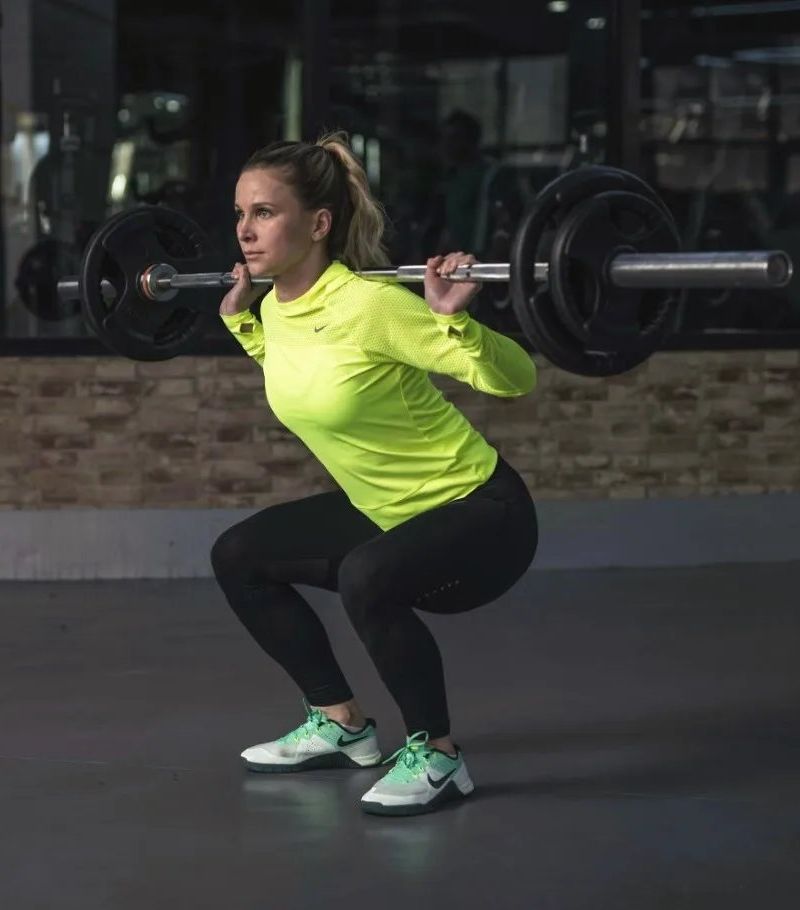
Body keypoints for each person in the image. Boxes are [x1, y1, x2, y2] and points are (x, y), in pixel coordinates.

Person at [211, 132, 541, 817]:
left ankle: (440, 757)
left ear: (319, 224)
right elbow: (304, 379)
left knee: (366, 573)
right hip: (387, 508)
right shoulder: (275, 309)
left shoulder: (372, 307)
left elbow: (516, 380)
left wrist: (458, 324)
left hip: (481, 512)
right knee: (238, 555)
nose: (245, 230)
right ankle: (340, 723)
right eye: (240, 213)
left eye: (265, 212)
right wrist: (244, 327)